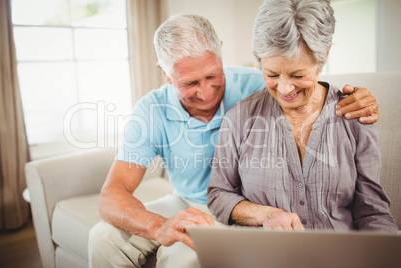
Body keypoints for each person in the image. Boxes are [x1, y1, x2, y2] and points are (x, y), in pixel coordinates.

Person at [88, 13, 382, 268]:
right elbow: (113, 192)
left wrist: (356, 97)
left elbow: (310, 88)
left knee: (184, 258)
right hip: (185, 200)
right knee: (102, 237)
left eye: (212, 75)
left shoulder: (259, 84)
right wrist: (158, 226)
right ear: (165, 73)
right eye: (189, 83)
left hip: (240, 208)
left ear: (221, 53)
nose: (205, 93)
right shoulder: (151, 111)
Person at [207, 0, 397, 233]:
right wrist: (265, 214)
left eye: (298, 74)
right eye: (272, 74)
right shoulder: (239, 118)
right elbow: (218, 195)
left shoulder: (354, 114)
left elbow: (373, 211)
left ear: (324, 56)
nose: (285, 89)